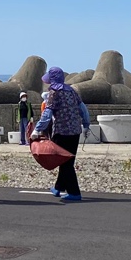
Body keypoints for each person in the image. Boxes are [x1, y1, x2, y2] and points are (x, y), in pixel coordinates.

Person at [31, 67, 85, 201]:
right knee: (67, 160)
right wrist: (87, 124)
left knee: (65, 162)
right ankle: (58, 187)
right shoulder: (72, 91)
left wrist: (37, 129)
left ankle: (74, 192)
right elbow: (83, 108)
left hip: (62, 131)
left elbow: (47, 113)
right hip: (75, 131)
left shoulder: (54, 92)